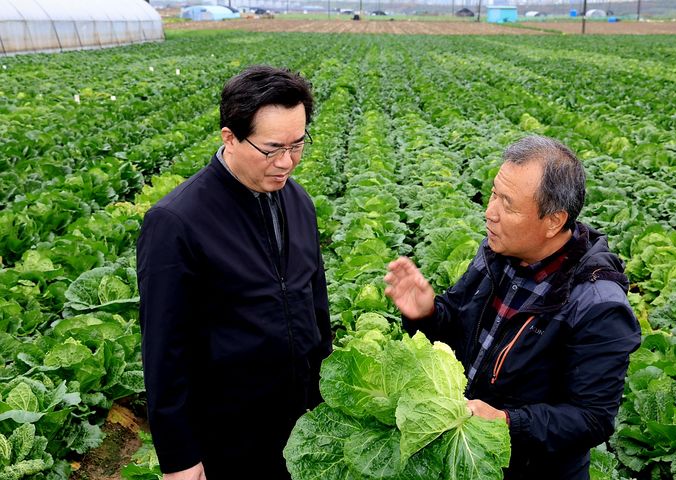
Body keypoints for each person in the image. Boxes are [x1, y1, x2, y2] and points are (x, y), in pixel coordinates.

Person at [384, 135, 640, 479]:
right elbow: (458, 328)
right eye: (493, 193)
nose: (490, 213)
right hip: (468, 451)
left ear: (553, 221)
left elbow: (592, 419)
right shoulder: (496, 252)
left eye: (508, 204)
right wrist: (427, 313)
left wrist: (507, 422)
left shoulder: (598, 305)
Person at [137, 65, 332, 480]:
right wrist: (180, 459)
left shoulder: (299, 202)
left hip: (300, 423)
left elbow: (316, 306)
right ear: (230, 137)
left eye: (298, 144)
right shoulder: (176, 222)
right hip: (229, 434)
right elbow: (164, 352)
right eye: (272, 148)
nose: (287, 162)